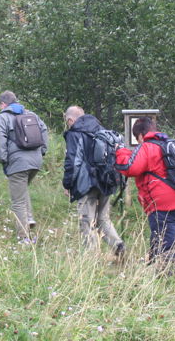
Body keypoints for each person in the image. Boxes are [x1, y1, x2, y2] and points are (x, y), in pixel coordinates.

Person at [116, 117, 175, 270]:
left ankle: (174, 283)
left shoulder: (148, 147)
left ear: (140, 135)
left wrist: (120, 151)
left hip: (165, 206)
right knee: (161, 240)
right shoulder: (170, 145)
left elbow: (129, 167)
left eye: (137, 138)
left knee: (167, 249)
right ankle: (155, 272)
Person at [62, 106, 124, 256]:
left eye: (67, 121)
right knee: (103, 218)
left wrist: (67, 183)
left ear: (70, 120)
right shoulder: (101, 129)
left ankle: (91, 257)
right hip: (106, 180)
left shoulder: (75, 133)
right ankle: (118, 245)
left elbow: (73, 161)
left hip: (87, 183)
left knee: (86, 220)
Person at [0, 90, 47, 242]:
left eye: (0, 105)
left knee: (17, 201)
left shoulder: (2, 117)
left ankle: (23, 237)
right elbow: (44, 131)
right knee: (22, 190)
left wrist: (4, 160)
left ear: (3, 104)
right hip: (35, 161)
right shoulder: (32, 115)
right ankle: (28, 218)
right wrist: (41, 152)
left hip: (17, 163)